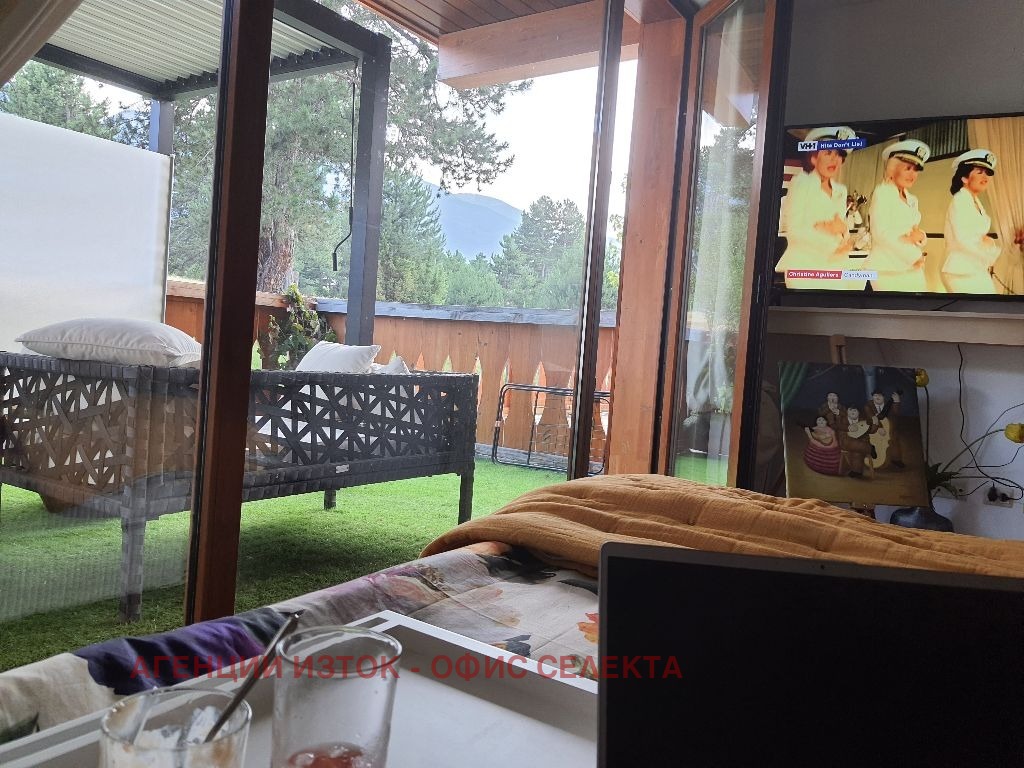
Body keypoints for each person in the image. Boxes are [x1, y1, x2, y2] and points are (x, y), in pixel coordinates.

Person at [776, 127, 864, 290]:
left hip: (834, 265)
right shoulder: (801, 183)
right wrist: (831, 240)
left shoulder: (841, 190)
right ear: (814, 158)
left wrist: (843, 234)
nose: (834, 160)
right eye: (828, 153)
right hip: (805, 267)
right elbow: (795, 231)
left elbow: (840, 227)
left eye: (839, 155)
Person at [865, 140, 931, 293]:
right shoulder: (882, 193)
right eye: (908, 168)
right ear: (892, 170)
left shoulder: (912, 199)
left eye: (916, 170)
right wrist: (913, 256)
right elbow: (881, 233)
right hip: (888, 268)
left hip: (912, 267)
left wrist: (921, 236)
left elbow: (913, 230)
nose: (912, 175)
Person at [942, 149, 1001, 294]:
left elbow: (979, 238)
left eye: (987, 173)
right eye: (980, 172)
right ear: (964, 177)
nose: (985, 177)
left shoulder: (974, 201)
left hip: (975, 267)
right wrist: (989, 252)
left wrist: (989, 244)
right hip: (961, 270)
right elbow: (963, 239)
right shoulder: (960, 200)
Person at [862, 389, 904, 469]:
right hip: (873, 427)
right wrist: (879, 428)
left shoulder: (888, 404)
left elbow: (896, 413)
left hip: (889, 427)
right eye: (875, 395)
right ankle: (872, 455)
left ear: (883, 397)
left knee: (893, 438)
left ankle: (896, 459)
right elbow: (871, 418)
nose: (877, 397)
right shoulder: (868, 406)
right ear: (872, 397)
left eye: (880, 395)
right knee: (870, 441)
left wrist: (896, 402)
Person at [841, 406, 877, 478]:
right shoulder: (843, 421)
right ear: (847, 412)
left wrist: (875, 424)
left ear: (859, 413)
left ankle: (857, 471)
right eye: (850, 410)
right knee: (850, 444)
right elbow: (841, 432)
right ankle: (870, 448)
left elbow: (872, 431)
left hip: (861, 442)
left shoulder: (863, 421)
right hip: (847, 441)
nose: (852, 412)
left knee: (857, 451)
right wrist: (848, 429)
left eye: (855, 411)